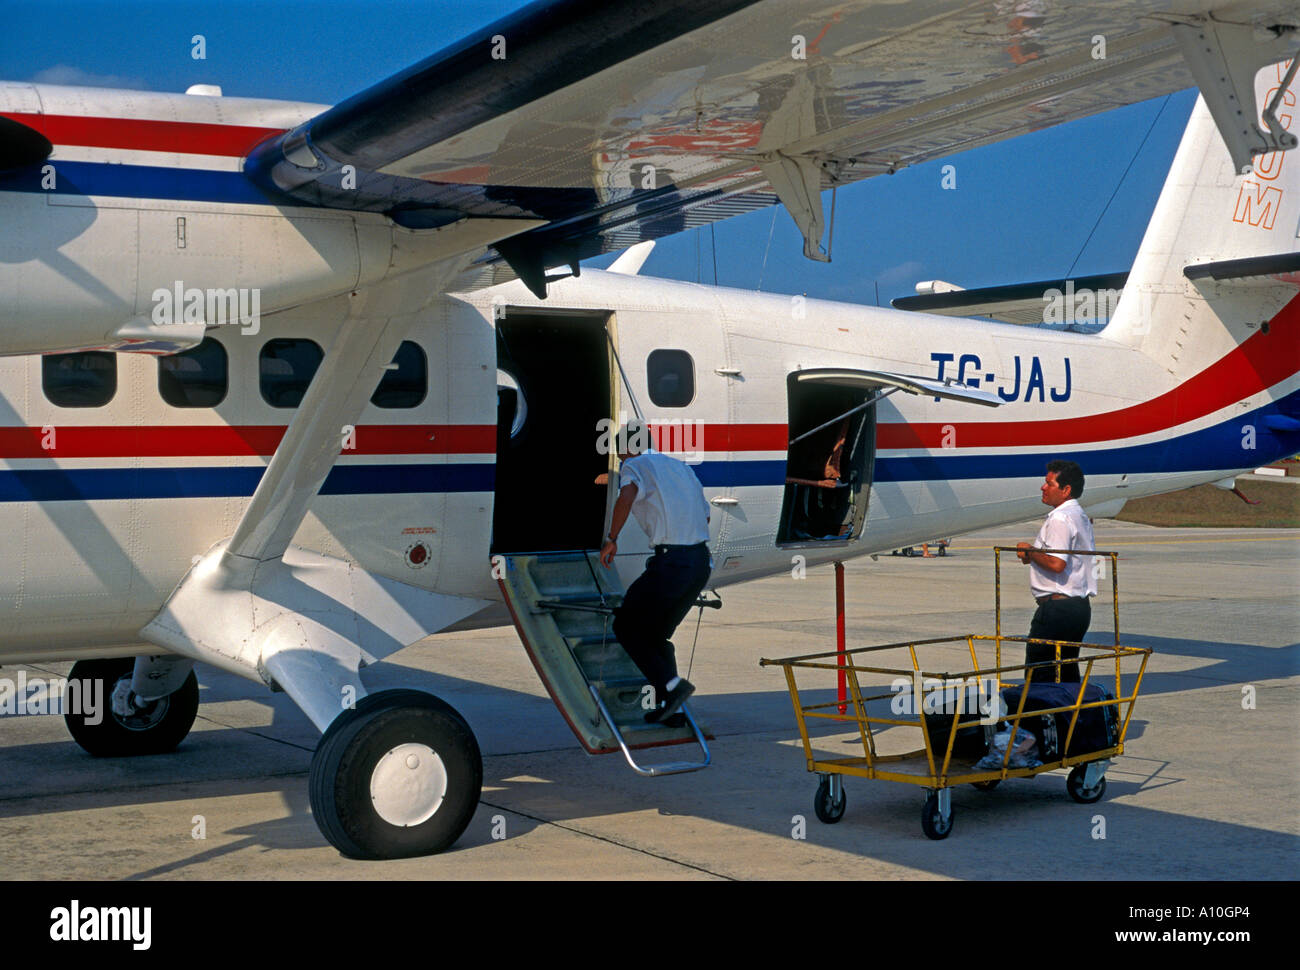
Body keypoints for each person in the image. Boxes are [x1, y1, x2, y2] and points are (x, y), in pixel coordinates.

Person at [598, 420, 711, 724]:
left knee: (627, 628)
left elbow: (627, 496)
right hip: (700, 562)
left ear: (626, 449)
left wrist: (612, 539)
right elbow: (706, 514)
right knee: (657, 637)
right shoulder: (680, 468)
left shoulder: (635, 465)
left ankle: (673, 688)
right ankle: (672, 710)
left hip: (673, 563)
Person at [1016, 459, 1096, 683]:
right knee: (1066, 674)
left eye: (1049, 483)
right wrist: (1035, 556)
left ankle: (1041, 717)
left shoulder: (1060, 517)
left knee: (1040, 674)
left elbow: (1056, 564)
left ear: (1065, 490)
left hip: (1057, 609)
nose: (1043, 487)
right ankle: (1070, 717)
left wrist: (1029, 551)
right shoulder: (1078, 515)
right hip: (1077, 608)